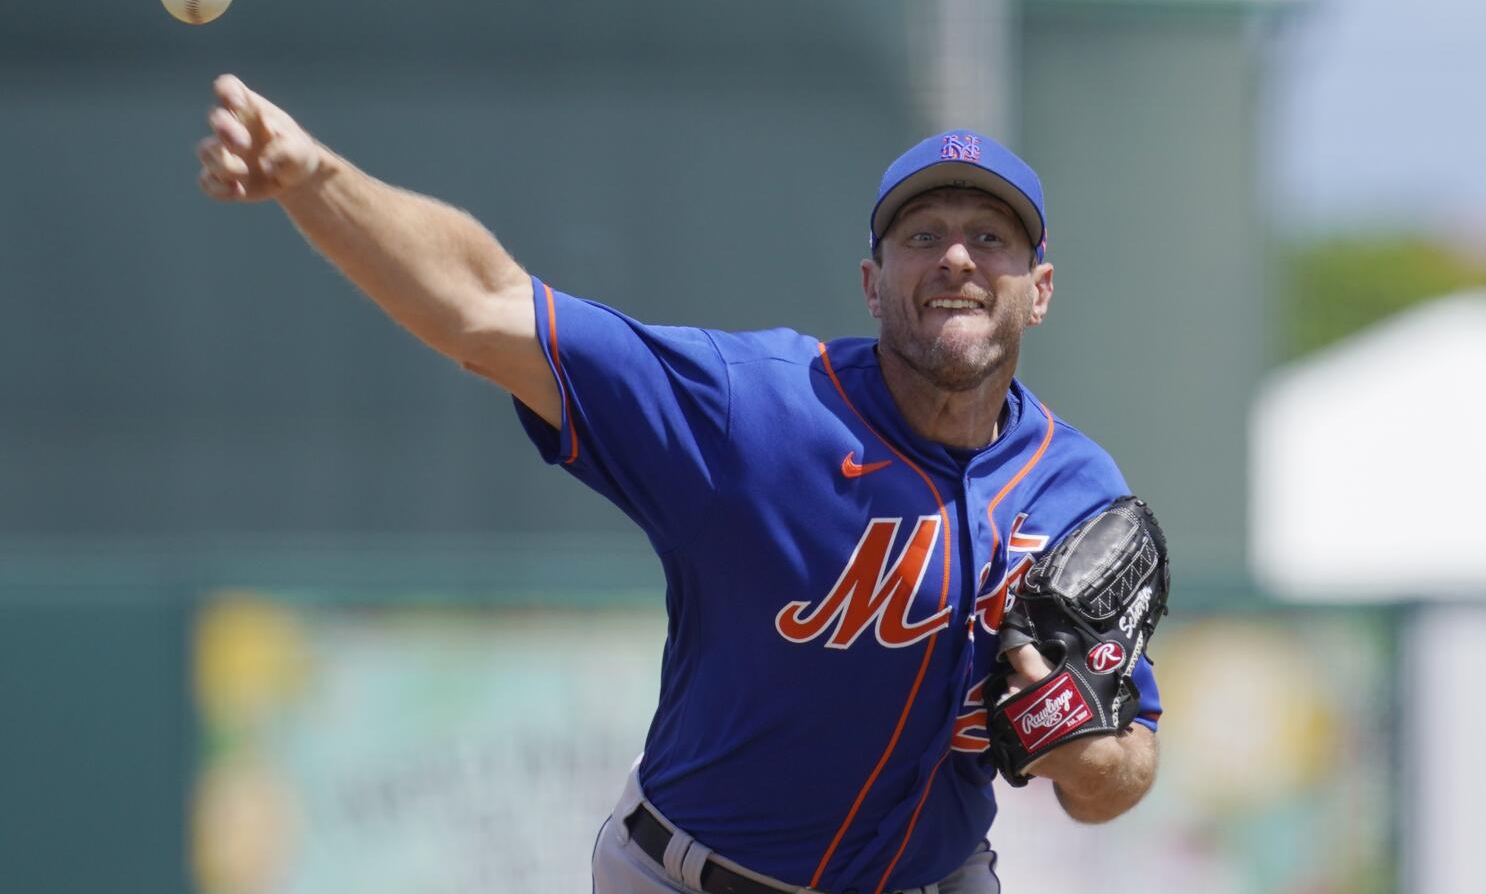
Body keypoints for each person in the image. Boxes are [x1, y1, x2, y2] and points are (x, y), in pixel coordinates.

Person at [196, 75, 1162, 894]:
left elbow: (1120, 775)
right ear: (873, 283)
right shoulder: (756, 411)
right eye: (923, 233)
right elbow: (484, 308)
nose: (956, 254)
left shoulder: (1077, 489)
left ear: (1039, 288)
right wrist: (314, 177)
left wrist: (1087, 746)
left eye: (991, 235)